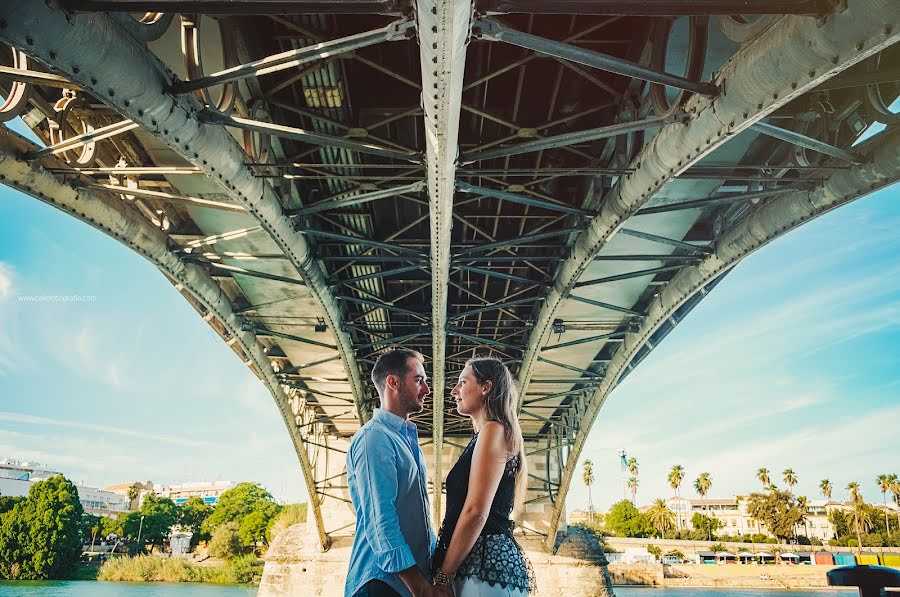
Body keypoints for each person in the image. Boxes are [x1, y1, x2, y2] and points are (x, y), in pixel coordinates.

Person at [345, 348, 448, 597]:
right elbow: (381, 522)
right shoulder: (375, 438)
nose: (427, 389)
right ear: (393, 382)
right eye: (418, 380)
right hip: (381, 584)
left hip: (404, 585)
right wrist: (422, 588)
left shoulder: (404, 441)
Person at [431, 356, 536, 595]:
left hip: (484, 570)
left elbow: (476, 511)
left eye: (463, 382)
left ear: (486, 388)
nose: (454, 391)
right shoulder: (490, 435)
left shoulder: (493, 430)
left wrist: (444, 576)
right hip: (481, 570)